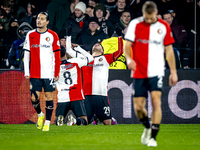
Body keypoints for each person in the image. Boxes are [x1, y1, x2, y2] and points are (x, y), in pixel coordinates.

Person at [124, 1, 178, 147]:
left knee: (156, 101)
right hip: (138, 71)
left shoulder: (163, 26)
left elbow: (169, 50)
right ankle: (147, 127)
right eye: (146, 18)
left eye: (151, 18)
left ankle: (153, 137)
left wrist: (173, 72)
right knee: (139, 107)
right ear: (143, 13)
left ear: (155, 13)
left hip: (156, 70)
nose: (148, 20)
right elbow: (127, 45)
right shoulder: (135, 24)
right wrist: (129, 60)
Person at [23, 12, 61, 131]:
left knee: (49, 97)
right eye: (38, 18)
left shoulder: (53, 35)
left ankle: (47, 123)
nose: (39, 21)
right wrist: (26, 71)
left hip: (49, 73)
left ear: (47, 22)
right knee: (34, 98)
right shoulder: (30, 34)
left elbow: (57, 56)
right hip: (34, 73)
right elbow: (26, 54)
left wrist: (56, 72)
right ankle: (40, 115)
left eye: (42, 19)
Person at [79, 36, 123, 125]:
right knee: (83, 123)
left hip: (101, 95)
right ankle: (95, 118)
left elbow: (120, 52)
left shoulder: (106, 58)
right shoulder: (85, 60)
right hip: (87, 95)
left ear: (102, 51)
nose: (96, 44)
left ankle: (99, 118)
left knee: (107, 122)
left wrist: (120, 39)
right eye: (95, 44)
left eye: (99, 45)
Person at [55, 35, 94, 126]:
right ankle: (75, 121)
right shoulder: (75, 61)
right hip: (76, 95)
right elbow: (91, 58)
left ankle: (60, 119)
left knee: (57, 120)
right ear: (65, 53)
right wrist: (78, 48)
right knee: (84, 120)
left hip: (62, 97)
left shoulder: (53, 67)